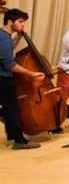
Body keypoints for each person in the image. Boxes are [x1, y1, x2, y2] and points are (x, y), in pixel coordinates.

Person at [0, 9, 45, 149]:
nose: (22, 25)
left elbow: (7, 51)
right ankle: (18, 141)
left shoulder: (4, 37)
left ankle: (14, 137)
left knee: (9, 109)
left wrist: (19, 37)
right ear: (9, 22)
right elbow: (10, 64)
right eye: (20, 22)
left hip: (3, 77)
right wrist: (31, 74)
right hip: (3, 78)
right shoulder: (3, 38)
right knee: (12, 109)